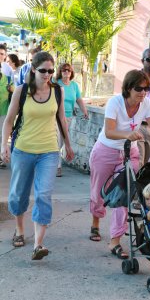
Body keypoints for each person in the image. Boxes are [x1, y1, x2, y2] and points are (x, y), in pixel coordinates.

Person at [1, 51, 74, 260]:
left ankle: (38, 244)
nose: (48, 74)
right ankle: (19, 229)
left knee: (43, 195)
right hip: (23, 149)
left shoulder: (57, 91)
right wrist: (3, 145)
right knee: (18, 194)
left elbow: (61, 120)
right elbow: (8, 120)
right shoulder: (22, 91)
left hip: (49, 151)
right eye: (43, 70)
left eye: (51, 70)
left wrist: (68, 145)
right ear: (33, 69)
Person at [89, 69, 150, 258]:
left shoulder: (146, 103)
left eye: (147, 88)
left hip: (129, 152)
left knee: (124, 194)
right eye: (139, 88)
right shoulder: (115, 102)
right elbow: (109, 131)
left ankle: (115, 241)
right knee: (99, 191)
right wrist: (127, 134)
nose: (143, 92)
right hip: (105, 150)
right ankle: (95, 221)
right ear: (128, 88)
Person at [55, 63, 88, 177]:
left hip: (69, 117)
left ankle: (54, 163)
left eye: (68, 70)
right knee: (58, 141)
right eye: (64, 70)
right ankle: (57, 166)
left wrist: (84, 110)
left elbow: (79, 99)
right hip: (57, 117)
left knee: (64, 142)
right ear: (60, 71)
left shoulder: (74, 85)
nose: (66, 72)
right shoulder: (56, 84)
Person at [0, 65, 14, 168]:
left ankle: (1, 158)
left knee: (2, 136)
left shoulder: (7, 79)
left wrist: (11, 89)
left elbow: (15, 91)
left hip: (4, 111)